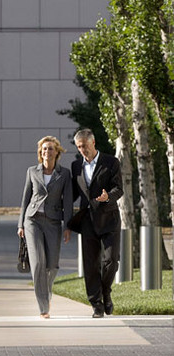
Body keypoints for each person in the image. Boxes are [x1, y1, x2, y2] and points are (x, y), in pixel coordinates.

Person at [69, 128, 123, 318]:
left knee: (111, 261)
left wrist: (109, 196)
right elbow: (73, 194)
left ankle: (106, 291)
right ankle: (97, 304)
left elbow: (119, 188)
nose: (82, 150)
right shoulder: (76, 166)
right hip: (88, 221)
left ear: (93, 143)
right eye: (78, 147)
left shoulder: (111, 162)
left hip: (109, 219)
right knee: (91, 265)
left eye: (84, 146)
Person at [18, 136, 73, 319]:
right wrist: (20, 224)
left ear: (56, 152)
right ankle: (43, 307)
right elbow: (25, 199)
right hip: (32, 220)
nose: (46, 152)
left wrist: (68, 226)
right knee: (38, 263)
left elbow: (68, 202)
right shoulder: (32, 171)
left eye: (50, 149)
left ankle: (46, 293)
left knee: (52, 265)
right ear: (40, 153)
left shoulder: (64, 174)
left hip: (54, 222)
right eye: (43, 149)